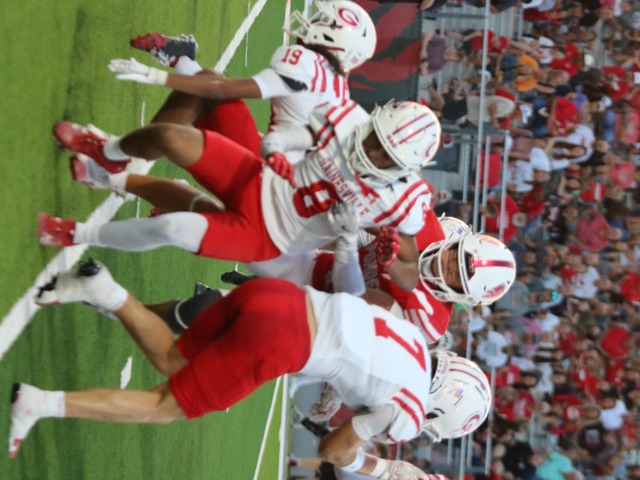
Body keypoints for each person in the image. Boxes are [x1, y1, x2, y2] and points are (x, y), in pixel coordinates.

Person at [9, 258, 492, 479]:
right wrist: (382, 468)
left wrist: (339, 387)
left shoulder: (415, 337)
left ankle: (103, 289)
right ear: (441, 412)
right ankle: (36, 403)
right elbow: (332, 449)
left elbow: (363, 324)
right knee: (162, 406)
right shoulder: (410, 413)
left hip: (282, 297)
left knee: (175, 359)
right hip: (285, 340)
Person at [41, 99, 442, 291]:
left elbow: (398, 274)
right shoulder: (348, 119)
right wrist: (275, 146)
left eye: (385, 156)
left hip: (267, 236)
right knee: (171, 138)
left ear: (403, 169)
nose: (371, 152)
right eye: (375, 139)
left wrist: (363, 242)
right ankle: (108, 153)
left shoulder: (400, 204)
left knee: (171, 228)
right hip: (258, 179)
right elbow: (293, 133)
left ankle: (76, 233)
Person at [109, 0, 377, 164]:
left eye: (323, 21)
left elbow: (222, 90)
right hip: (285, 171)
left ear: (336, 40)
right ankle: (183, 60)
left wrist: (155, 76)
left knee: (207, 90)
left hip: (270, 175)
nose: (312, 21)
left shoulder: (307, 65)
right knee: (208, 91)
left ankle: (118, 157)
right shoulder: (340, 89)